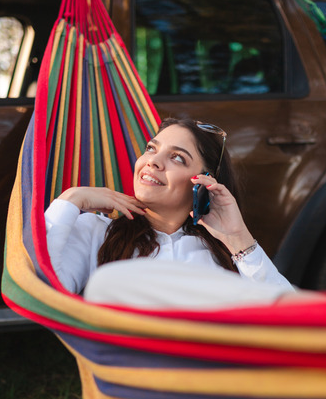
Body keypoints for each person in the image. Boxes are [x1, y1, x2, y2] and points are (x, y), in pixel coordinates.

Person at [44, 117, 298, 308]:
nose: (152, 161)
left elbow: (292, 318)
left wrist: (237, 238)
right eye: (151, 148)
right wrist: (70, 199)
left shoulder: (227, 256)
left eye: (177, 158)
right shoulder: (96, 232)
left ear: (203, 183)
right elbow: (41, 289)